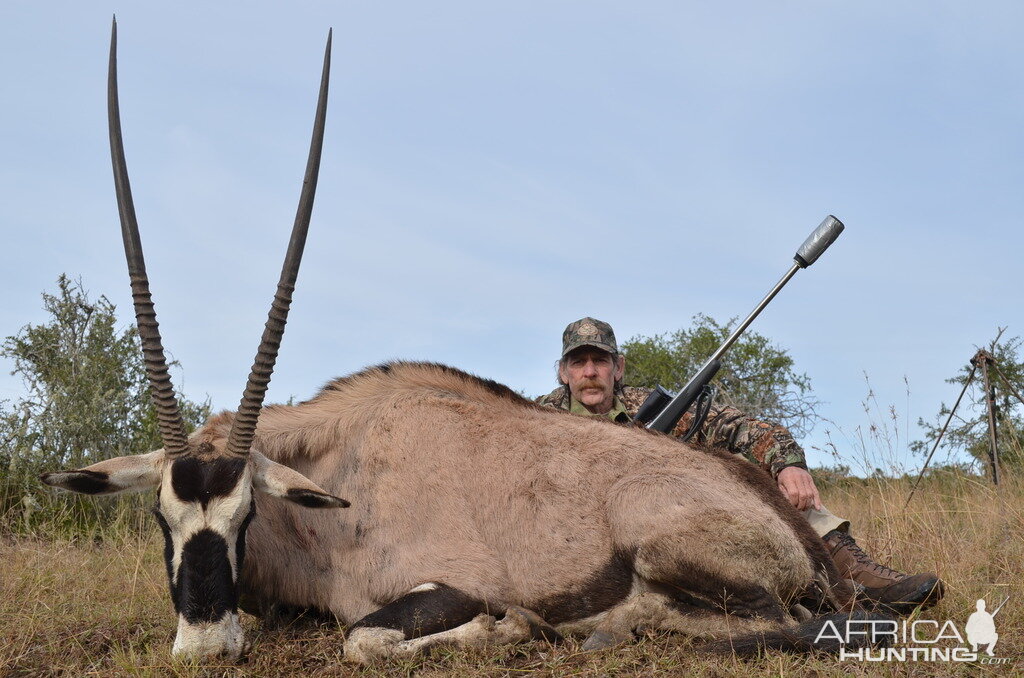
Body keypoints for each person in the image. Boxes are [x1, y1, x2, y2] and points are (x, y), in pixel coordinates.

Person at [538, 317, 944, 612]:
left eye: (600, 361)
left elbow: (743, 428)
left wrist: (788, 465)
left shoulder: (652, 407)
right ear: (563, 371)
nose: (590, 372)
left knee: (742, 470)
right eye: (578, 362)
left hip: (665, 524)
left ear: (618, 367)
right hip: (580, 537)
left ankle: (850, 573)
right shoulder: (539, 421)